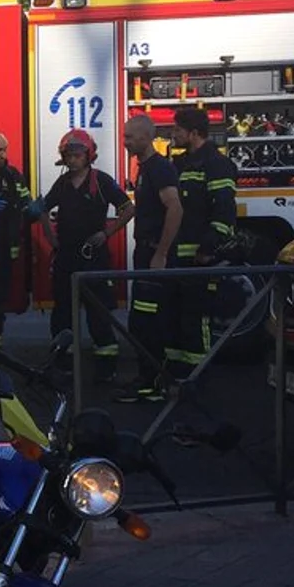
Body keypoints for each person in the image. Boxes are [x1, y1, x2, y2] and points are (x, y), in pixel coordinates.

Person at [28, 130, 134, 380]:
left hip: (94, 257)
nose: (73, 159)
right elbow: (42, 208)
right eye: (69, 155)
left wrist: (106, 234)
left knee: (98, 315)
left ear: (88, 155)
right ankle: (63, 364)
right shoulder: (62, 183)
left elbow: (128, 209)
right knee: (62, 313)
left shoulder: (101, 181)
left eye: (77, 155)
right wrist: (51, 237)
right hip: (66, 257)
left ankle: (106, 368)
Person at [115, 115, 184, 403]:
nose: (125, 142)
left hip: (153, 254)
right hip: (145, 252)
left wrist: (161, 253)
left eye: (130, 137)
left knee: (149, 322)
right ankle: (148, 379)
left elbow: (175, 209)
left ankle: (153, 383)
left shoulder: (159, 169)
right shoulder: (145, 169)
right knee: (141, 321)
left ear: (145, 137)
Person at [167, 107, 238, 382]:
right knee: (174, 317)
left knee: (197, 319)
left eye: (177, 130)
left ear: (193, 133)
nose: (172, 135)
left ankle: (197, 377)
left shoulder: (215, 163)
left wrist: (208, 248)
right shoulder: (180, 163)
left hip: (199, 258)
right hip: (176, 256)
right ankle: (175, 372)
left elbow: (223, 211)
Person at [0, 130, 33, 347]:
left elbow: (25, 201)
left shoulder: (12, 175)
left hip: (2, 253)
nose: (2, 155)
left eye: (4, 150)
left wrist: (33, 209)